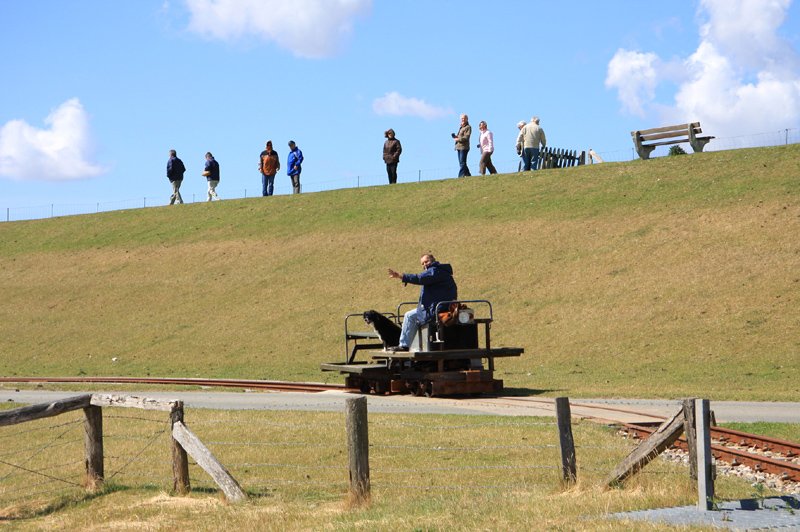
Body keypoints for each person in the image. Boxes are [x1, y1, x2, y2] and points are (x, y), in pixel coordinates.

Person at [386, 254, 458, 351]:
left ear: (433, 260)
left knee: (409, 316)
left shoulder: (434, 271)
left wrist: (401, 276)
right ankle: (418, 346)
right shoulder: (441, 272)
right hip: (439, 307)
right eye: (422, 263)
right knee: (416, 315)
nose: (425, 264)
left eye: (426, 261)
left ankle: (404, 346)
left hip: (436, 309)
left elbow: (419, 278)